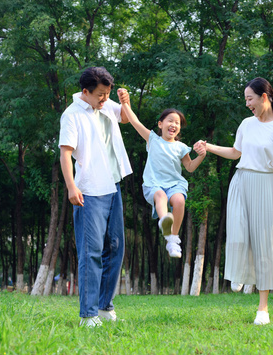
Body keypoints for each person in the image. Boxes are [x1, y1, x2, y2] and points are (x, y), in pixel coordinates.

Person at [194, 77, 273, 325]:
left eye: (249, 99)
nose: (247, 104)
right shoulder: (246, 124)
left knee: (265, 246)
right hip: (241, 182)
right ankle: (240, 272)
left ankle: (262, 309)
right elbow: (235, 153)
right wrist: (208, 147)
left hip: (267, 185)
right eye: (246, 99)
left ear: (264, 97)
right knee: (238, 233)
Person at [59, 67, 132, 328]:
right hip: (89, 190)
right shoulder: (71, 115)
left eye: (107, 94)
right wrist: (71, 187)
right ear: (85, 92)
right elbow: (65, 153)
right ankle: (88, 314)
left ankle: (104, 307)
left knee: (115, 247)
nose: (104, 99)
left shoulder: (104, 103)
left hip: (113, 184)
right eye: (100, 95)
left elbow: (124, 118)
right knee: (90, 252)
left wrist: (125, 102)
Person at [118, 89, 206, 257]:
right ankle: (165, 220)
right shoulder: (153, 139)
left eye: (177, 123)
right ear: (160, 124)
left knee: (179, 200)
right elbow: (135, 122)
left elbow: (190, 167)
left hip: (174, 184)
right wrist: (124, 103)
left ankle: (173, 239)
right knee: (161, 197)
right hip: (154, 184)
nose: (174, 124)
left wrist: (201, 156)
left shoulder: (181, 147)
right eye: (170, 121)